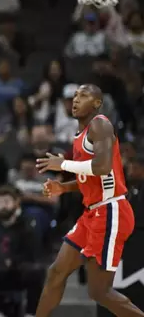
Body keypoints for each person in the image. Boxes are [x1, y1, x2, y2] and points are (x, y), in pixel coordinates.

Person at [35, 84, 143, 317]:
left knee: (99, 292)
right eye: (74, 95)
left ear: (97, 103)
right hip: (92, 212)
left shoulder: (100, 125)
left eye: (83, 95)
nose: (75, 99)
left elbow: (102, 167)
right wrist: (62, 187)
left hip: (111, 210)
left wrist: (62, 165)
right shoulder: (80, 136)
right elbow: (89, 178)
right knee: (56, 272)